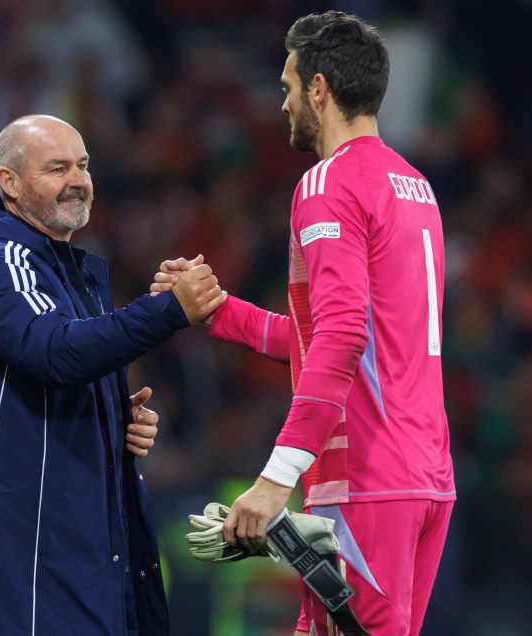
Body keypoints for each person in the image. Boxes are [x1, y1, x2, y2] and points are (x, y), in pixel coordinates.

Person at [154, 12, 455, 636]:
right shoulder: (414, 185)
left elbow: (342, 339)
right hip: (425, 479)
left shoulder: (328, 183)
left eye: (288, 85)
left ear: (319, 89)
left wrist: (273, 482)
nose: (283, 101)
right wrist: (223, 314)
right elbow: (342, 338)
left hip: (366, 481)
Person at [0, 114, 224, 635]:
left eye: (84, 165)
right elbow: (55, 353)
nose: (78, 179)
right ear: (10, 184)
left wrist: (112, 416)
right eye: (57, 168)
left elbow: (64, 371)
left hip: (82, 557)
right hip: (19, 568)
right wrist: (167, 311)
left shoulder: (71, 272)